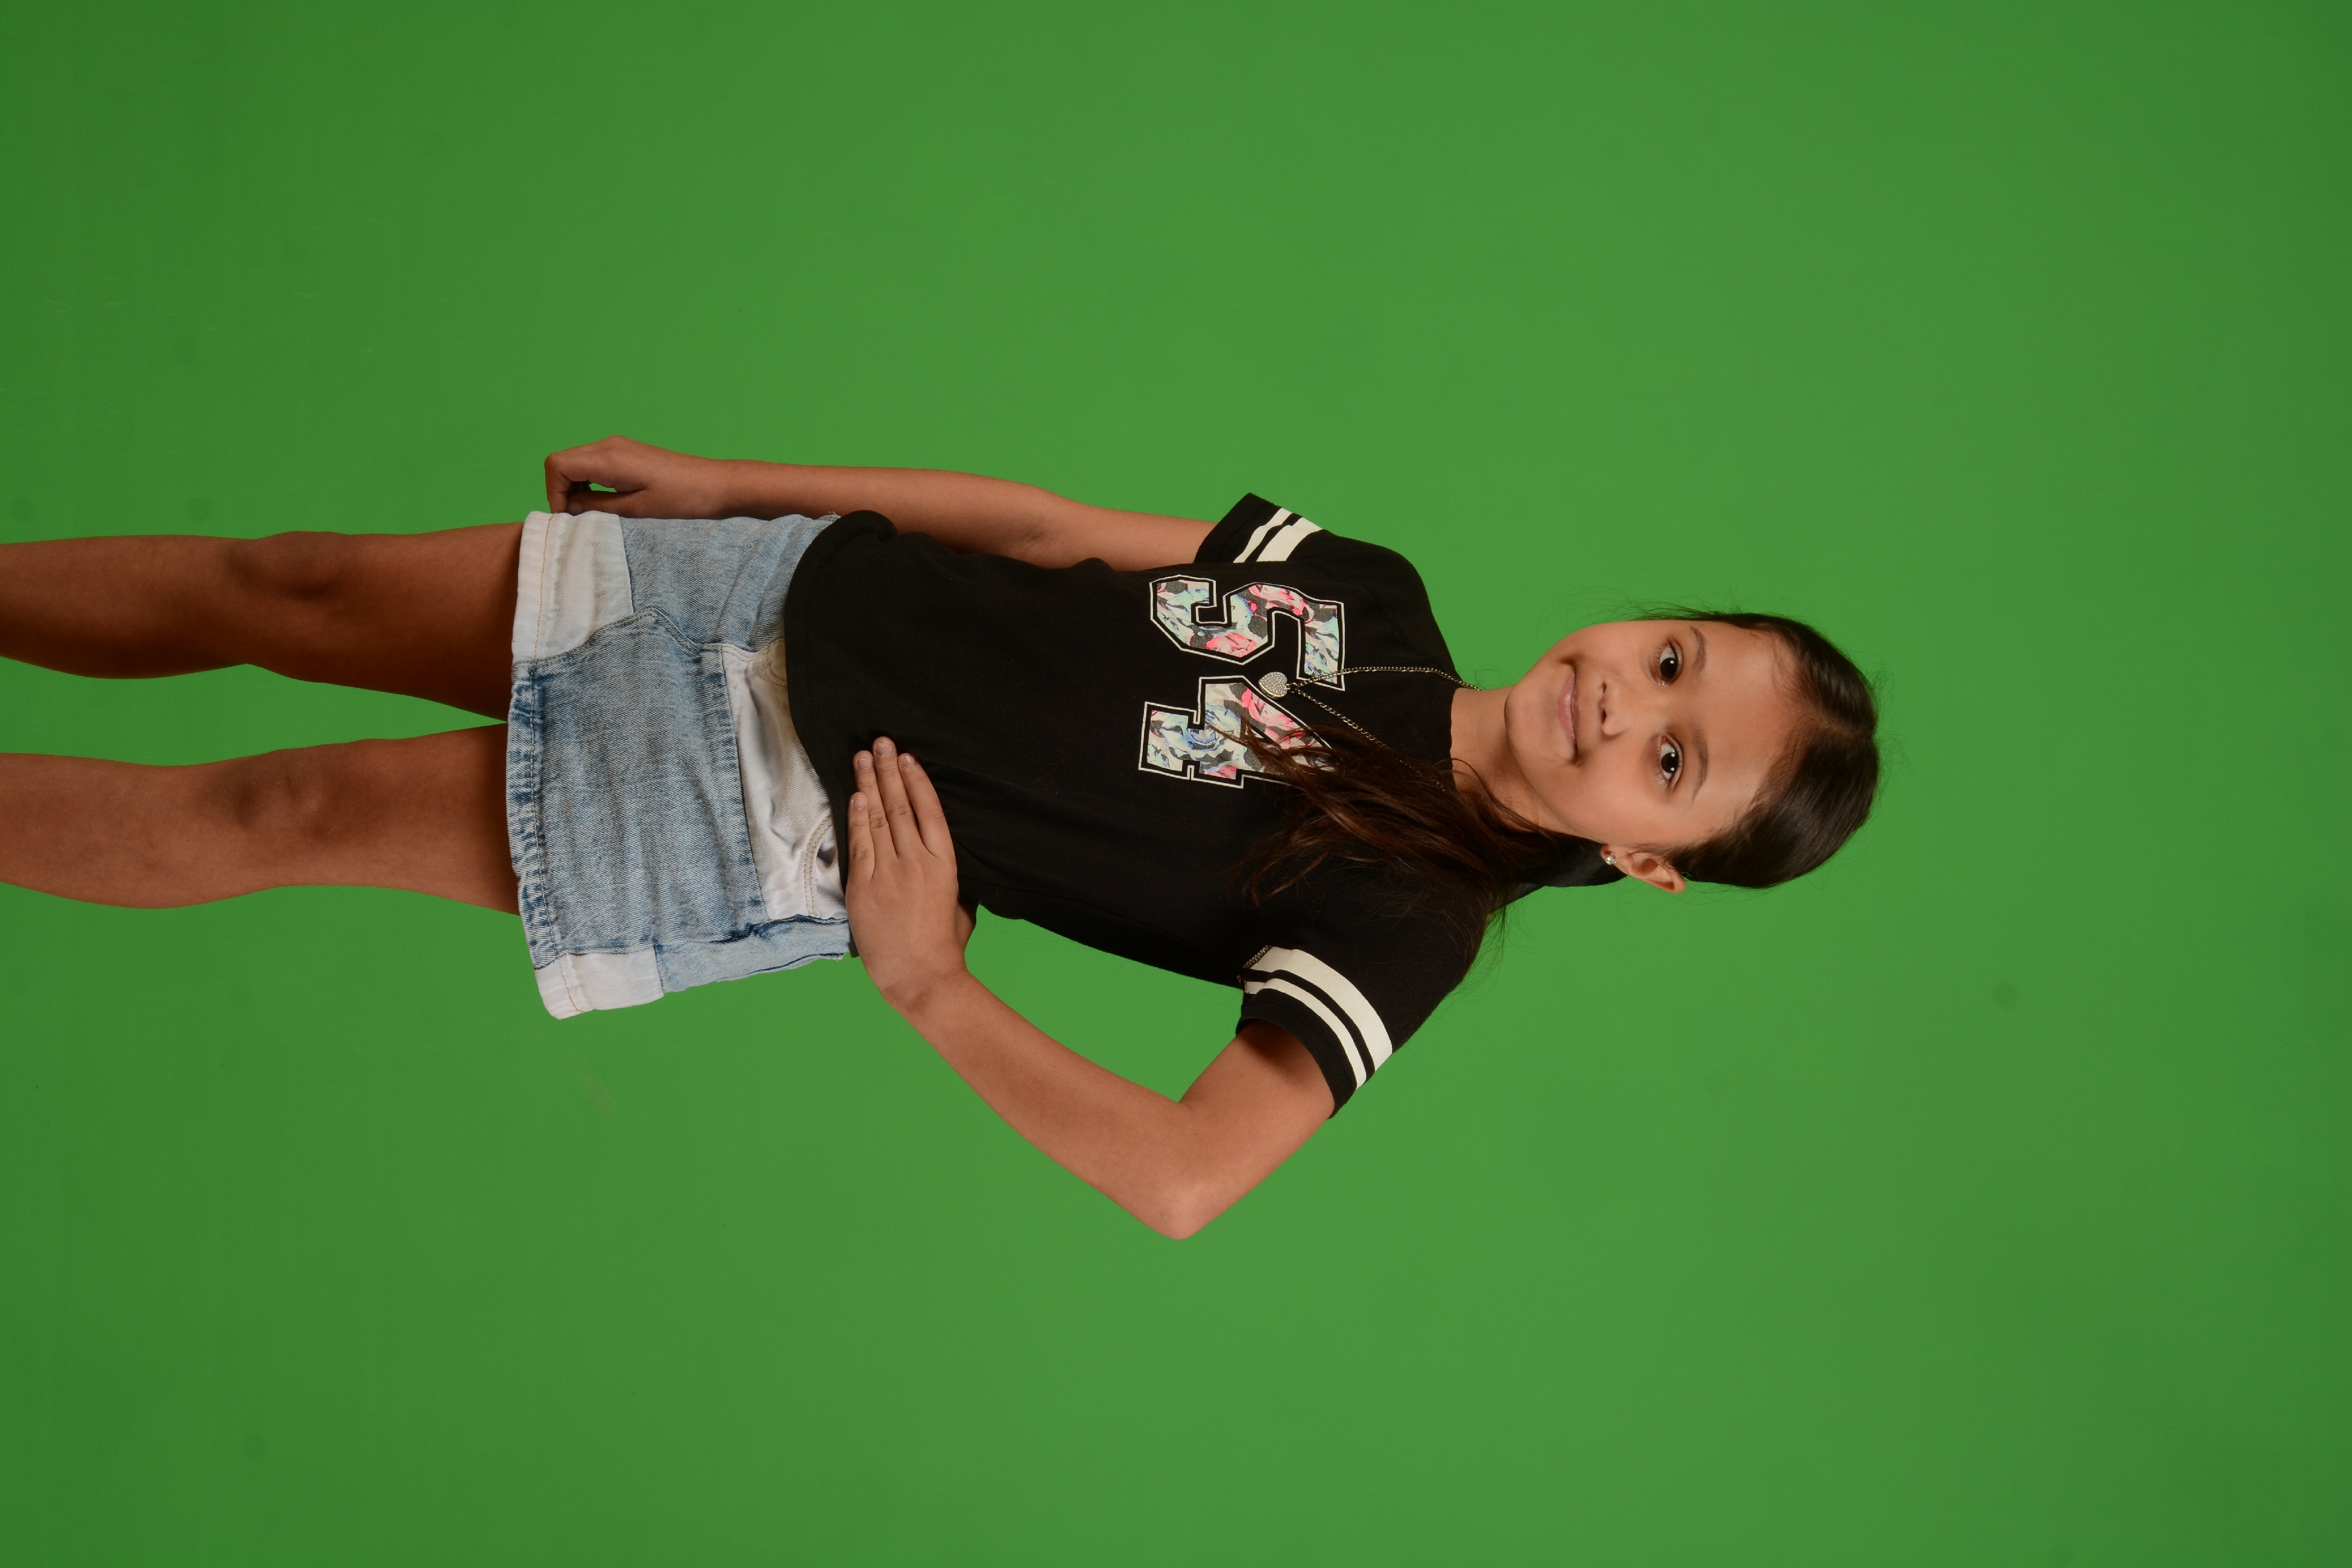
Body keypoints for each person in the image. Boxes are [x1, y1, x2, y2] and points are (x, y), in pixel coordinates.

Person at [0, 436, 1880, 1236]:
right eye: (1669, 659)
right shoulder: (1373, 591)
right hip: (765, 587)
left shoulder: (1411, 921)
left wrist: (930, 985)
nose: (1620, 705)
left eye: (1671, 761)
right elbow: (1045, 530)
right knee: (292, 578)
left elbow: (1185, 1177)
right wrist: (740, 483)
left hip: (748, 808)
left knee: (278, 807)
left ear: (1653, 863)